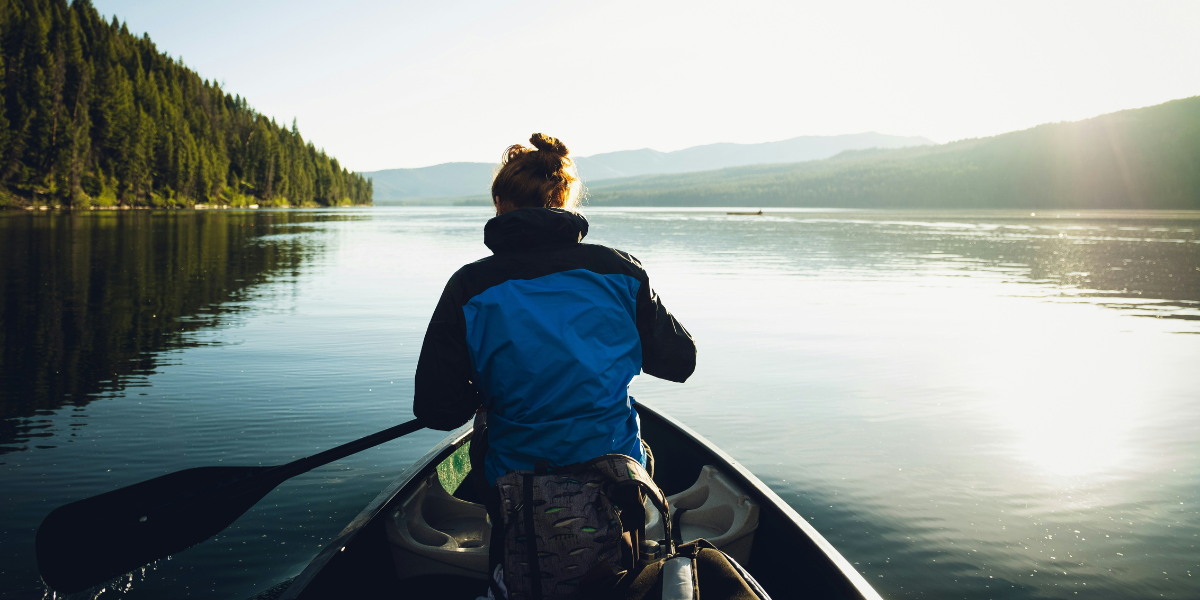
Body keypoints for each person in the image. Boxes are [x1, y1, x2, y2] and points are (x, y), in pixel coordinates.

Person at [413, 133, 695, 483]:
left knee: (484, 447)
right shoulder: (622, 271)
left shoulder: (469, 287)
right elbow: (681, 361)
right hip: (616, 470)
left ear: (499, 203)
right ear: (564, 200)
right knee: (643, 455)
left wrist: (484, 394)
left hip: (515, 483)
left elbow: (437, 410)